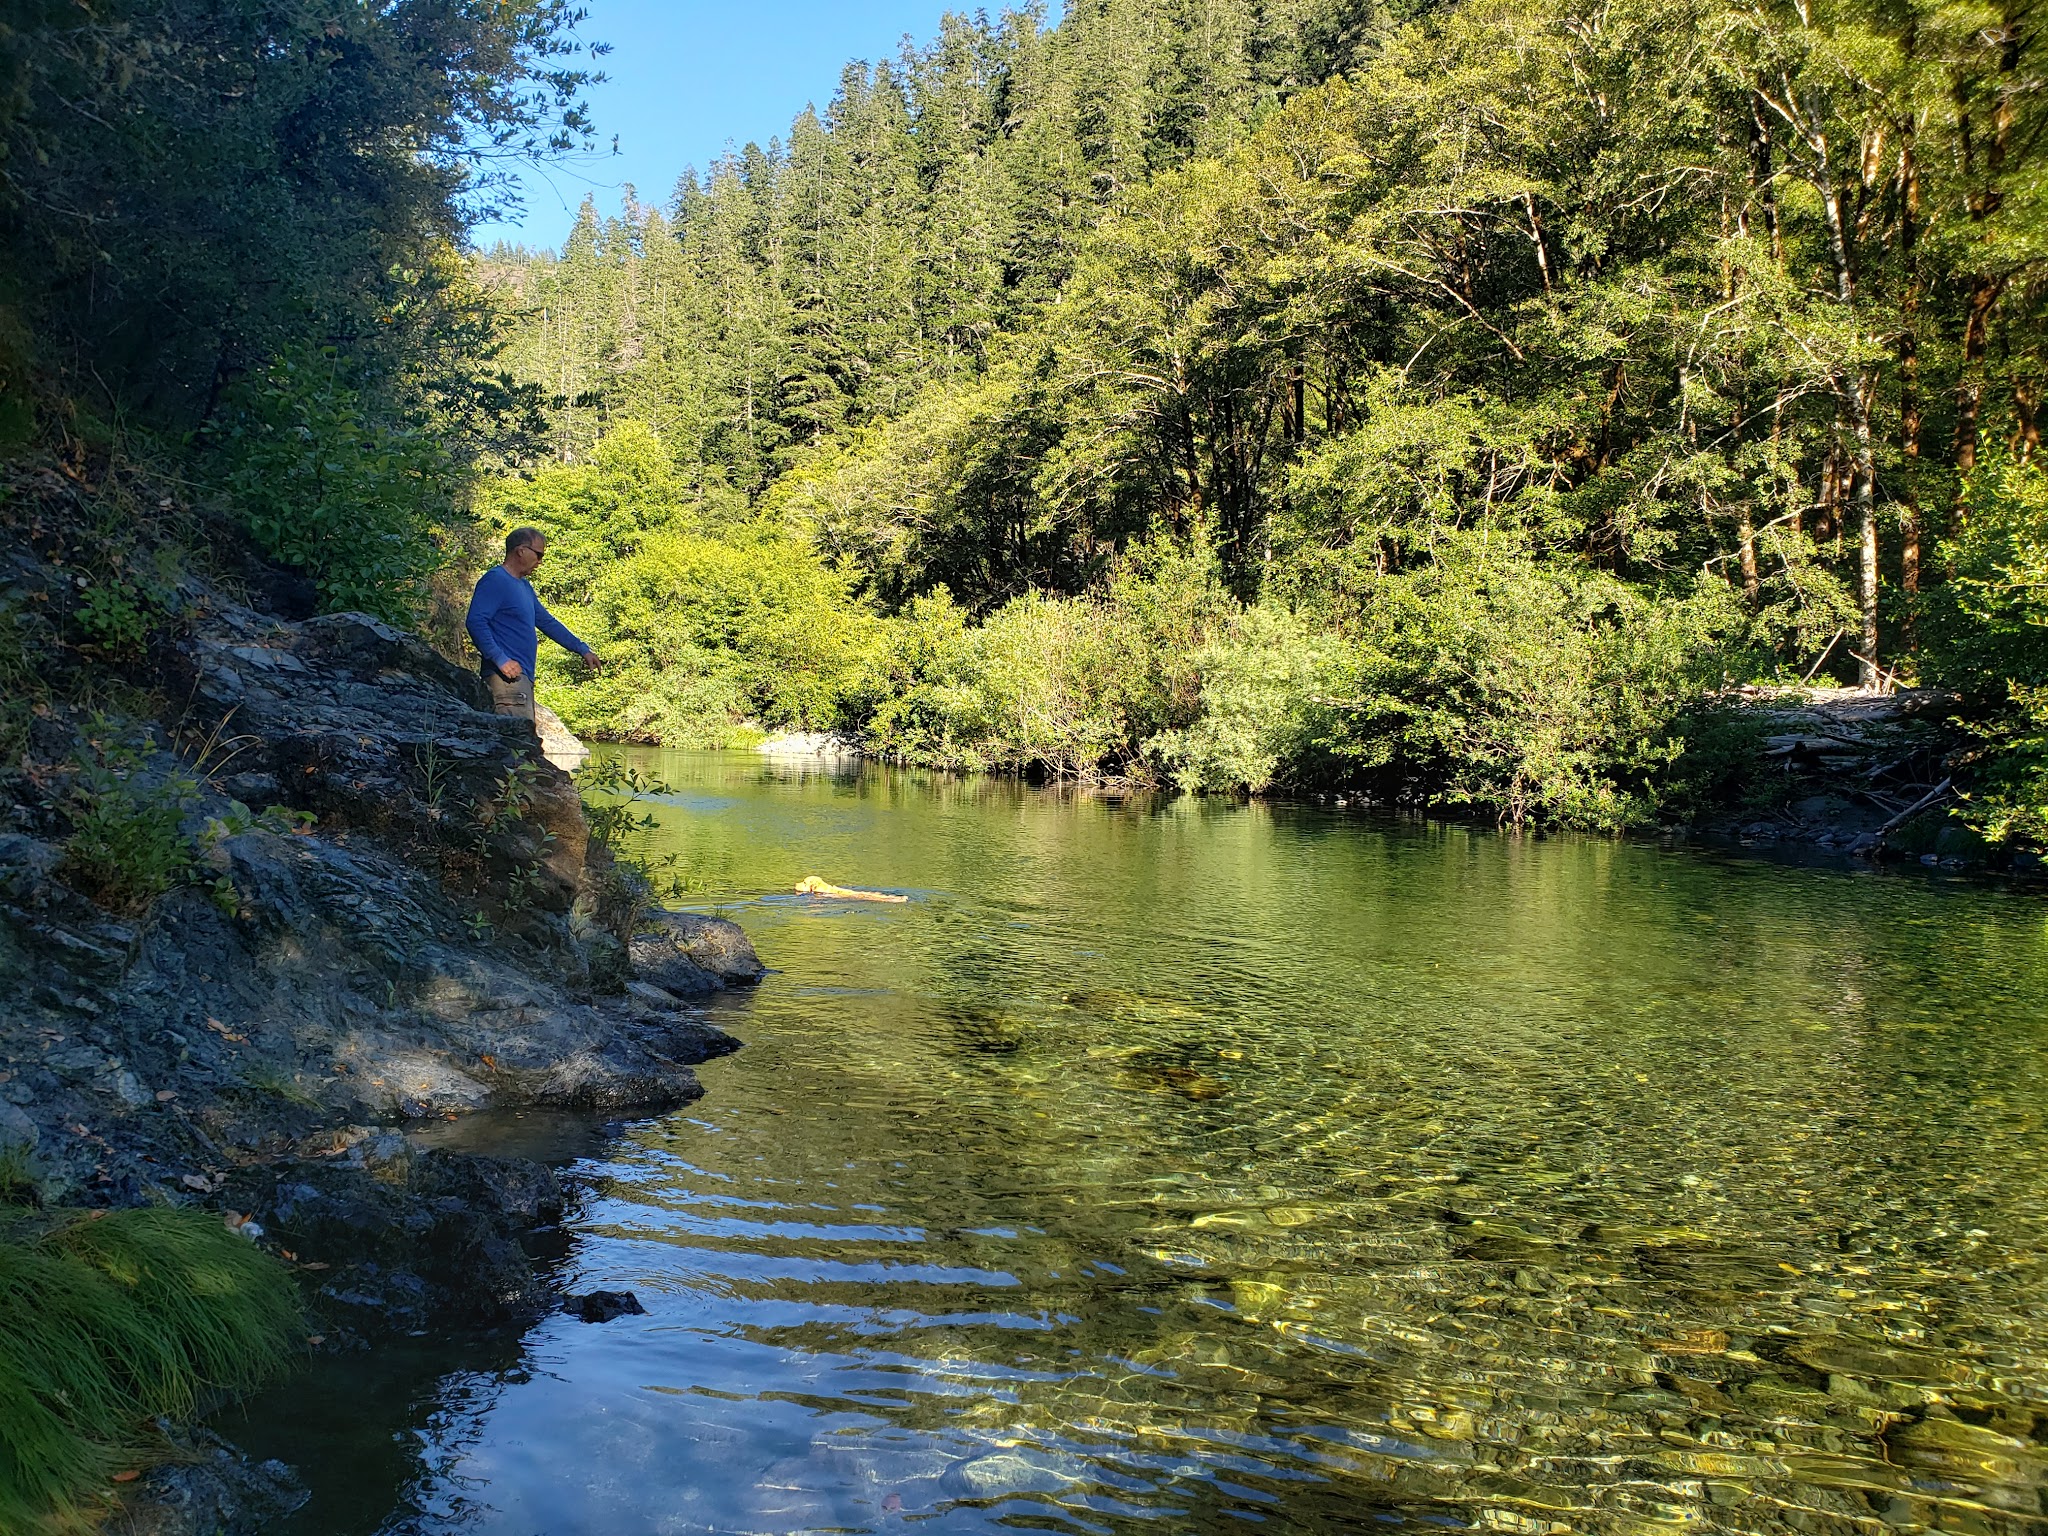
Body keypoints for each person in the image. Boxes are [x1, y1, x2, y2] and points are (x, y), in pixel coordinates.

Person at [464, 527, 601, 722]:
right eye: (538, 554)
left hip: (521, 679)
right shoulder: (496, 580)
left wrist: (582, 649)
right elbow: (475, 621)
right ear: (521, 550)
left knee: (523, 746)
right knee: (515, 746)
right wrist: (500, 659)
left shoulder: (524, 587)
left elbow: (547, 622)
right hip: (506, 682)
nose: (540, 561)